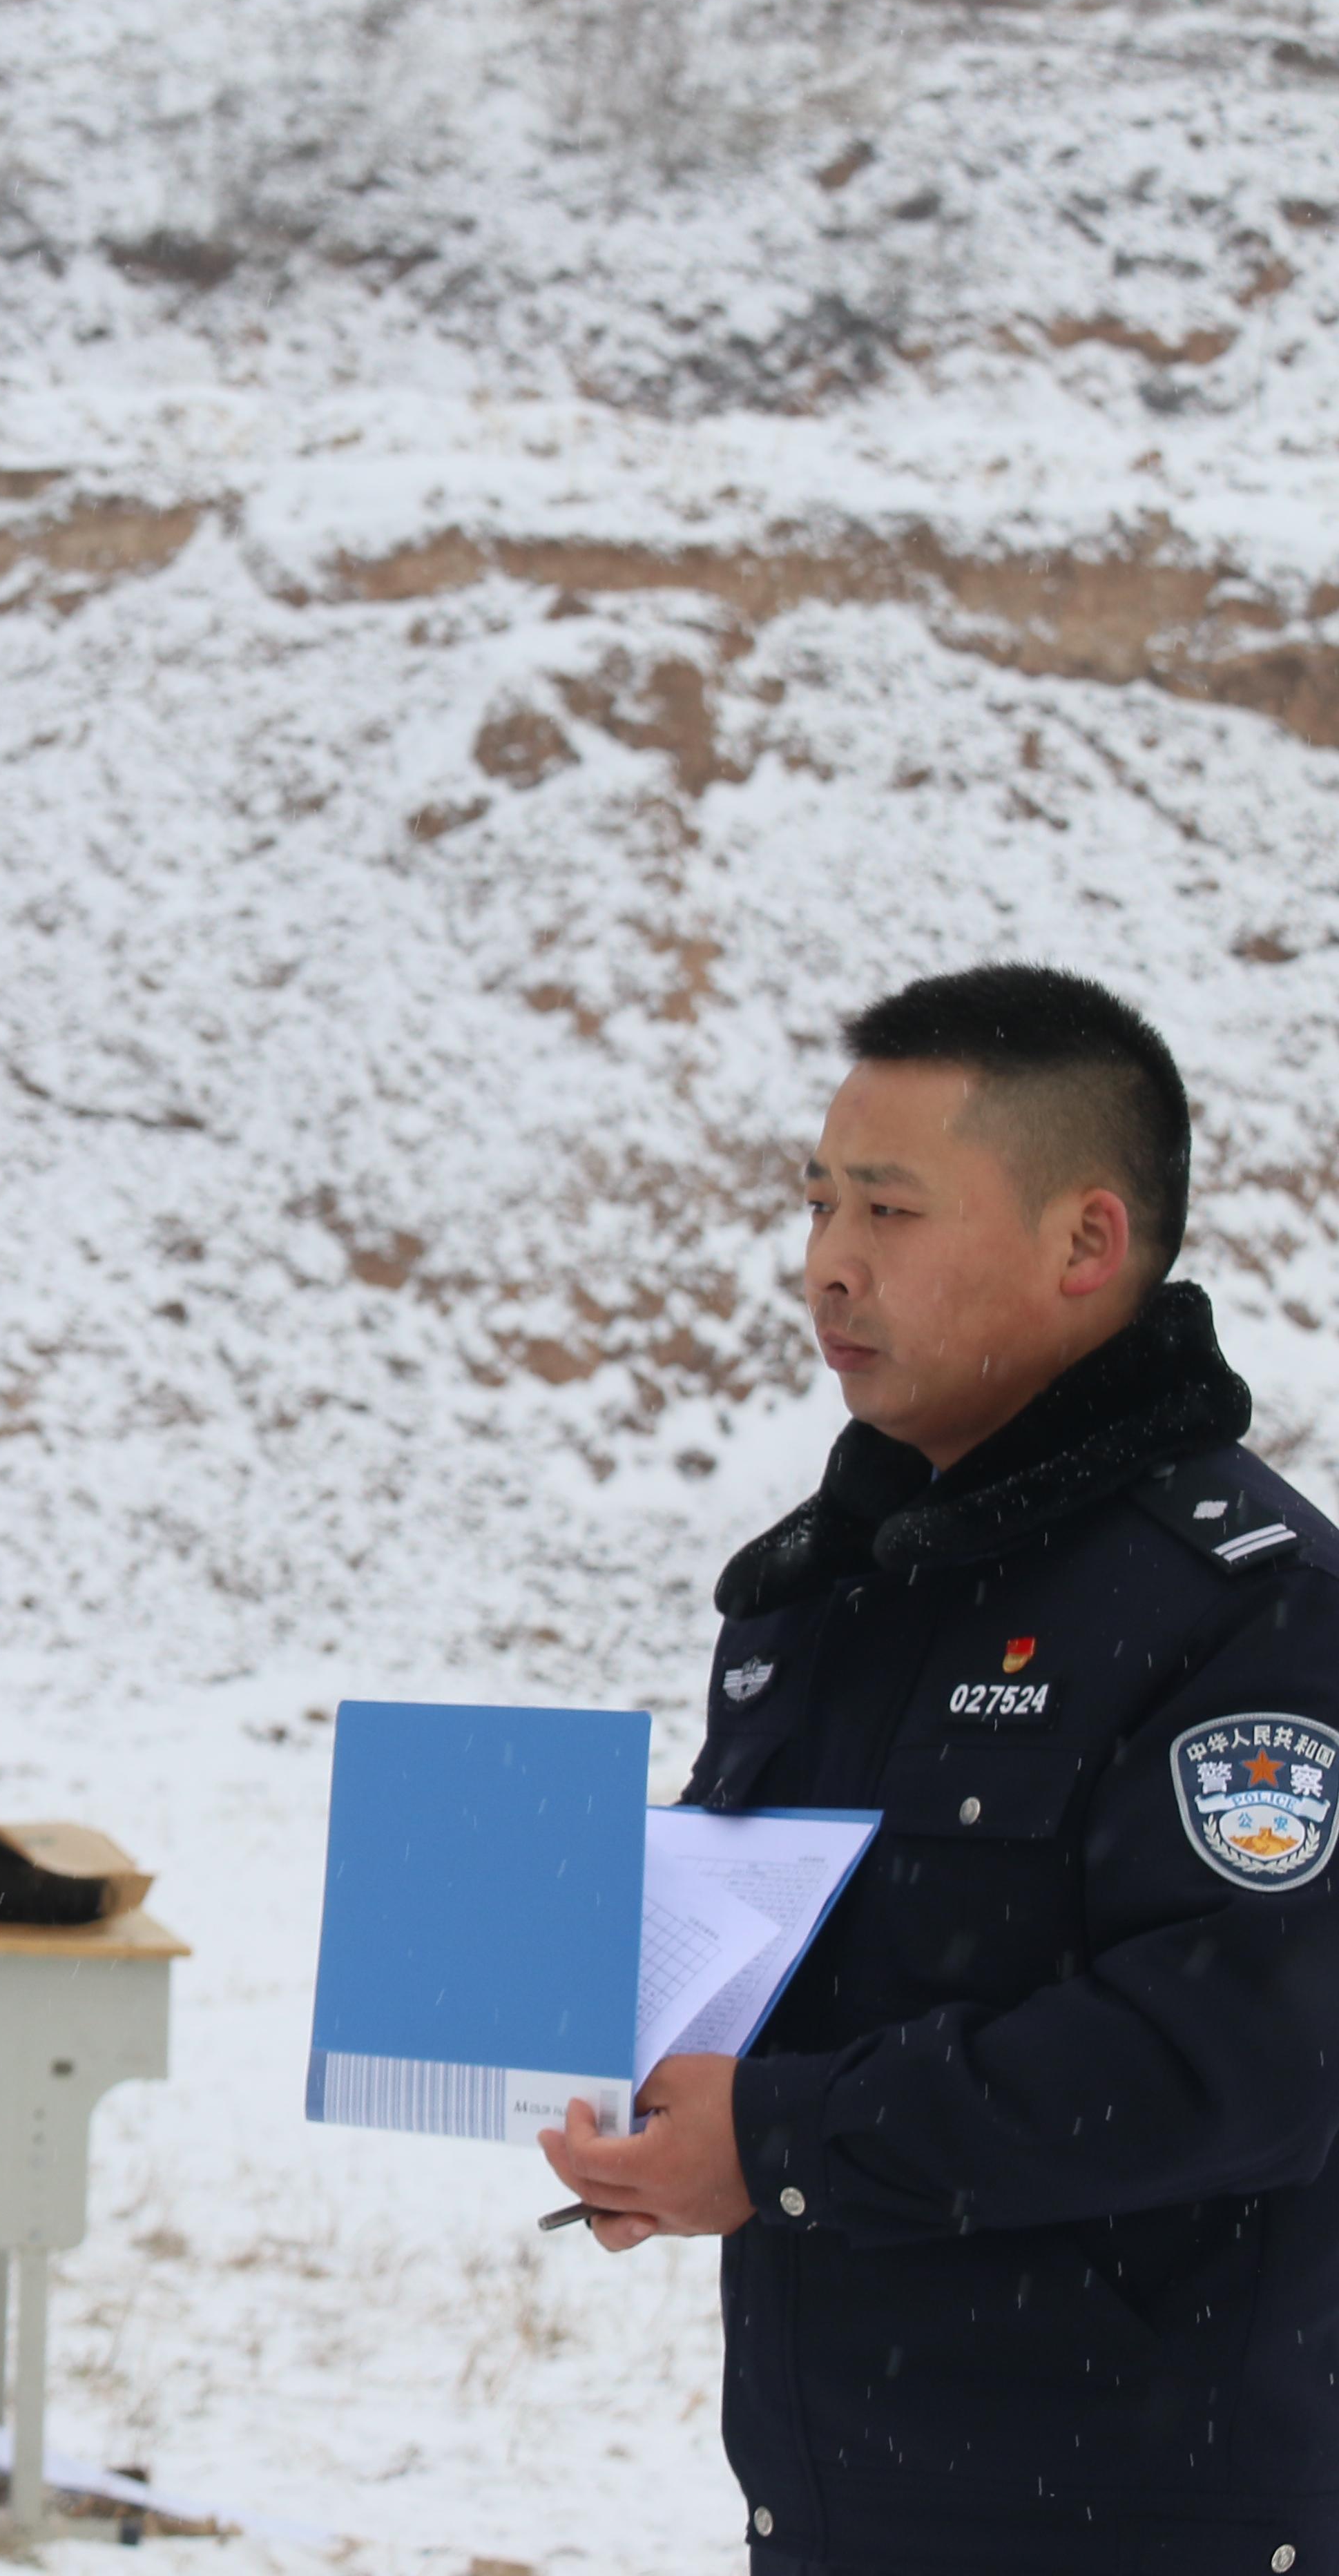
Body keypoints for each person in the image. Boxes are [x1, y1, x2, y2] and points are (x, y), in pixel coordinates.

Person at [540, 964, 1339, 2575]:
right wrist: (644, 2089)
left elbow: (1237, 2061)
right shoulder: (817, 1597)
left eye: (890, 1213)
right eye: (820, 1202)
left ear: (1085, 1244)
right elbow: (783, 1978)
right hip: (840, 2508)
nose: (827, 1265)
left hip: (1146, 2524)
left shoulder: (1250, 1612)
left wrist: (775, 2141)